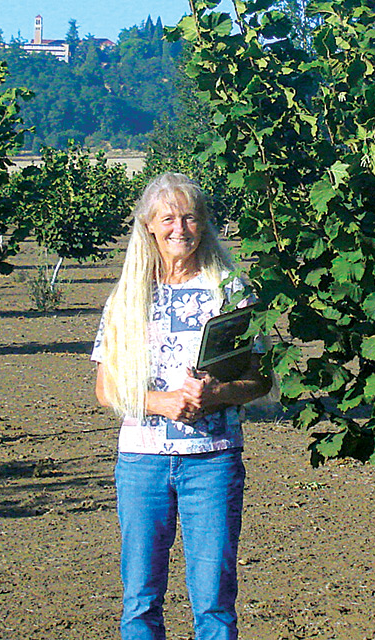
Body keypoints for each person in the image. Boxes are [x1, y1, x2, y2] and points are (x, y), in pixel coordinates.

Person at [91, 173, 271, 640]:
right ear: (149, 225)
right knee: (141, 601)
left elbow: (260, 378)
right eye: (167, 218)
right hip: (142, 463)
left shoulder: (230, 291)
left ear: (204, 224)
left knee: (214, 602)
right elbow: (106, 388)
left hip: (212, 462)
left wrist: (217, 395)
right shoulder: (128, 296)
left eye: (190, 216)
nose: (180, 228)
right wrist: (162, 402)